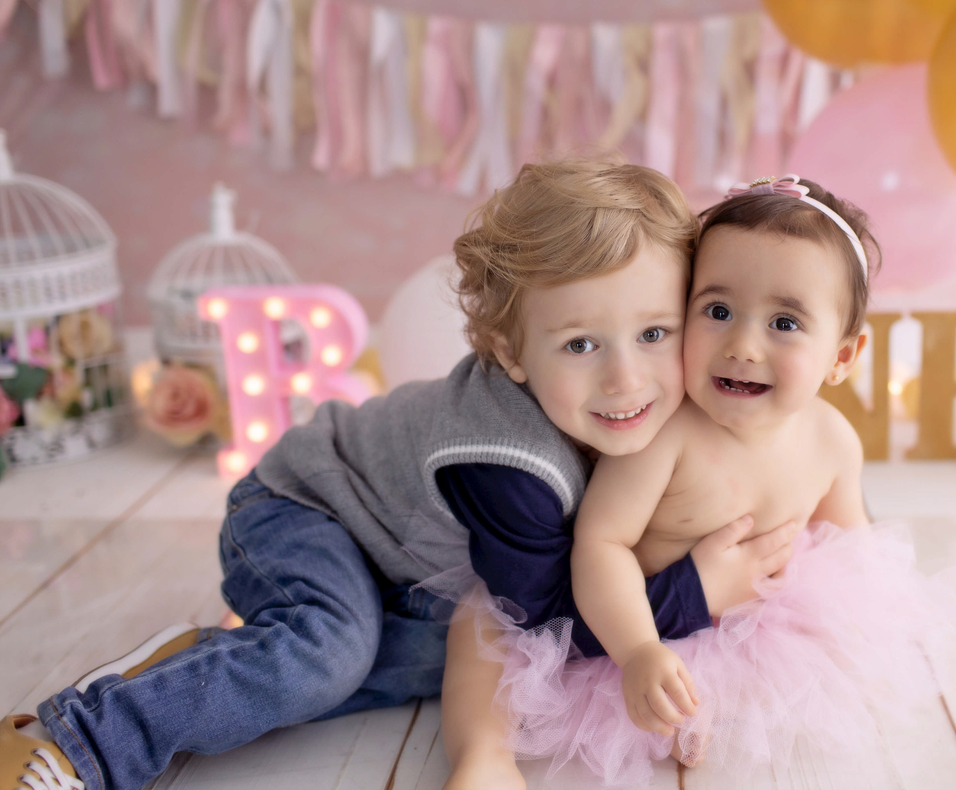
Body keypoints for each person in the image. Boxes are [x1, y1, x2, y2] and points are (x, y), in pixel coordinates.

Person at [1, 161, 796, 790]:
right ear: (511, 353)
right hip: (304, 507)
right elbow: (547, 618)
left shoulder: (656, 415)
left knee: (441, 663)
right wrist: (693, 592)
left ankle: (202, 662)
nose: (626, 378)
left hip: (400, 560)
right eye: (581, 345)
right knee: (327, 657)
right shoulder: (508, 461)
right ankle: (85, 736)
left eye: (655, 333)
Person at [443, 175, 956, 787]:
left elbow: (849, 549)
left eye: (785, 322)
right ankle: (485, 755)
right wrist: (639, 651)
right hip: (627, 625)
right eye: (718, 311)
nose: (742, 345)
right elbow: (602, 544)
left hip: (746, 625)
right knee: (485, 619)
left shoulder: (832, 440)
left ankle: (704, 708)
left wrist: (862, 631)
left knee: (752, 702)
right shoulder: (663, 433)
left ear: (843, 356)